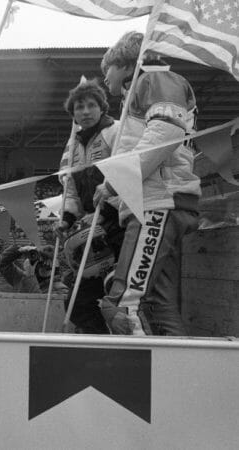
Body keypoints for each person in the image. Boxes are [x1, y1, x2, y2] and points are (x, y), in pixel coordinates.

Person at [95, 31, 200, 336]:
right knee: (157, 305)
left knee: (121, 305)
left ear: (127, 65)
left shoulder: (153, 80)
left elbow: (165, 133)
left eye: (107, 70)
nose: (105, 79)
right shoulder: (145, 89)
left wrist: (114, 183)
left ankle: (133, 377)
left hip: (159, 203)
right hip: (163, 201)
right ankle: (177, 374)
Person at [56, 79, 125, 333]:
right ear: (72, 113)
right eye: (79, 107)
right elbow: (70, 188)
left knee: (118, 296)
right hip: (92, 234)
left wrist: (107, 210)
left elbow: (127, 174)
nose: (85, 112)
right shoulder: (71, 144)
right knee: (77, 303)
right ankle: (102, 347)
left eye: (91, 105)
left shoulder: (117, 130)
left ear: (102, 107)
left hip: (120, 225)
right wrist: (66, 218)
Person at [0, 244, 69, 295]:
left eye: (45, 261)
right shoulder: (22, 279)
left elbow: (39, 305)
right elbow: (2, 264)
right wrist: (19, 249)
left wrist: (30, 277)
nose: (41, 263)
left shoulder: (61, 290)